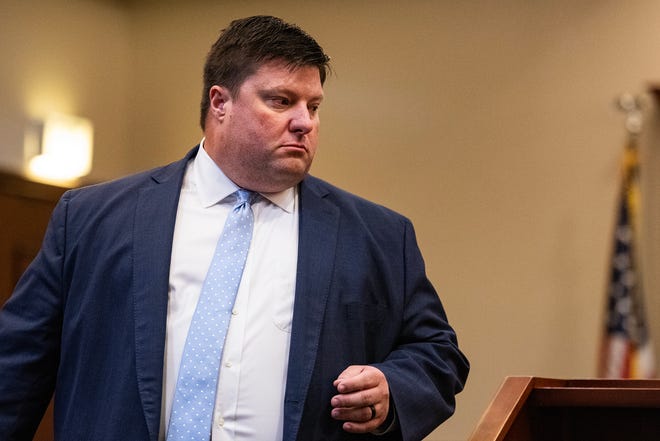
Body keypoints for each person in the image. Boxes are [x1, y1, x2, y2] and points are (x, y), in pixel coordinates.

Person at [0, 15, 469, 441]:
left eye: (314, 106)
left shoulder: (378, 237)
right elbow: (16, 367)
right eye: (281, 101)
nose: (304, 122)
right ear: (219, 103)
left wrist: (392, 389)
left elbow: (438, 356)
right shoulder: (92, 217)